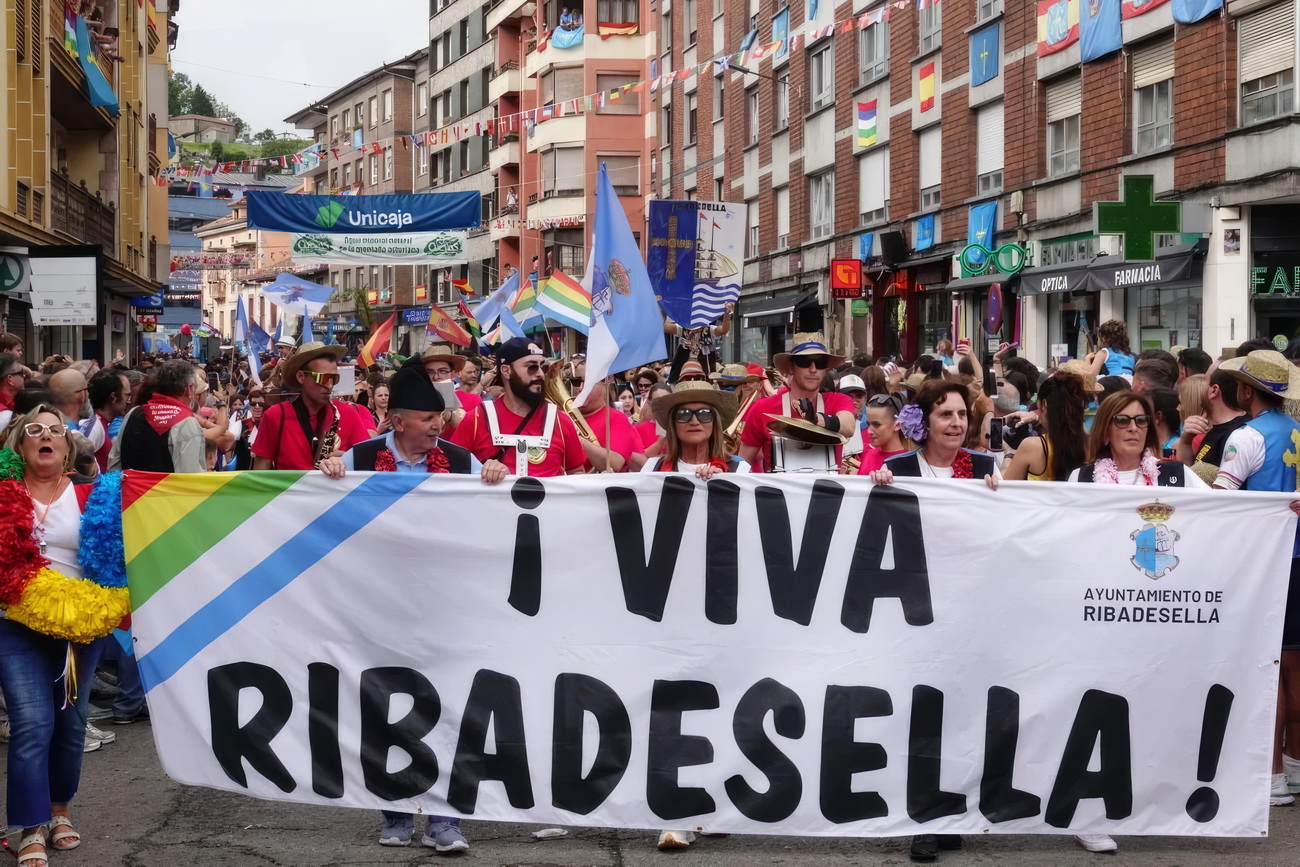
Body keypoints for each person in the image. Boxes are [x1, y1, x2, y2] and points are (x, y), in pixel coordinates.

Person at [0, 405, 130, 867]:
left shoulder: (92, 494)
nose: (46, 436)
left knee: (71, 724)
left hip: (80, 628)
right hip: (15, 624)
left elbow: (170, 497)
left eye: (55, 430)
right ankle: (28, 826)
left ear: (68, 446)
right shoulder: (3, 493)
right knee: (32, 724)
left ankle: (59, 812)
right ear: (21, 445)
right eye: (34, 430)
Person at [1210, 350, 1300, 807]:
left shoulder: (1245, 437)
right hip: (1299, 557)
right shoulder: (1299, 428)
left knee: (1270, 666)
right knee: (1295, 664)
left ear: (1246, 392)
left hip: (1267, 562)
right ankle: (1295, 764)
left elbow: (1221, 501)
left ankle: (1271, 776)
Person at [450, 338, 590, 478]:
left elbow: (577, 474)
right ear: (506, 370)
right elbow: (452, 476)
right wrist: (481, 473)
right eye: (531, 367)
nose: (541, 374)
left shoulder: (560, 421)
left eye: (543, 367)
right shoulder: (476, 419)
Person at [739, 333, 855, 473]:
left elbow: (849, 427)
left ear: (826, 369)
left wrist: (815, 419)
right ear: (791, 367)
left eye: (820, 363)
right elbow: (743, 464)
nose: (813, 369)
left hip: (825, 487)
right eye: (804, 362)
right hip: (778, 486)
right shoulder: (762, 408)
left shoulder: (838, 400)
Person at [251, 343, 370, 471]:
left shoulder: (347, 413)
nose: (330, 385)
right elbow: (260, 474)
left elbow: (368, 465)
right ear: (301, 377)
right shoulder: (276, 415)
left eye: (334, 378)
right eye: (322, 378)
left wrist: (347, 459)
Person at [869, 379, 1001, 485]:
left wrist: (994, 493)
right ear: (925, 422)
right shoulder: (896, 469)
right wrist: (881, 483)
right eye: (946, 414)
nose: (957, 423)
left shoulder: (986, 467)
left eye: (962, 414)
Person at [1067, 391, 1207, 487]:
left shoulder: (1177, 474)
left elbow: (1213, 510)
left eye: (1141, 420)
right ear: (1105, 430)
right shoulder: (1080, 479)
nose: (1133, 428)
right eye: (1122, 420)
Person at [109, 360, 207, 473]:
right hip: (167, 485)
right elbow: (189, 476)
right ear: (189, 388)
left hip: (130, 484)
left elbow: (114, 464)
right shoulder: (187, 423)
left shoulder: (133, 413)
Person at [638, 381, 747, 481]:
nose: (694, 421)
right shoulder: (653, 469)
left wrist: (725, 482)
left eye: (704, 414)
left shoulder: (739, 469)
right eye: (684, 414)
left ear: (714, 422)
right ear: (673, 424)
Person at [1001, 371, 1092, 482]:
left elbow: (1006, 487)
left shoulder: (1032, 446)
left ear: (1044, 405)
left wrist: (1009, 455)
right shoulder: (1092, 444)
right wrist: (1037, 419)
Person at [1175, 368, 1246, 484]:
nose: (1199, 386)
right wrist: (1186, 442)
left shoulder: (1238, 433)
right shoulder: (1217, 428)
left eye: (1205, 381)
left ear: (1214, 390)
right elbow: (1185, 477)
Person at [578, 377, 641, 472]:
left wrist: (580, 441)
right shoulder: (565, 416)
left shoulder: (616, 417)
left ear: (603, 386)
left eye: (587, 383)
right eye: (578, 383)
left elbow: (616, 463)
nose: (580, 388)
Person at [664, 303, 733, 381]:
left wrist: (727, 314)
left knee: (706, 382)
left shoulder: (709, 330)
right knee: (677, 381)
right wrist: (662, 307)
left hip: (703, 367)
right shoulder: (682, 328)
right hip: (683, 368)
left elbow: (723, 330)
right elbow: (664, 327)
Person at [855, 392, 912, 475]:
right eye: (868, 424)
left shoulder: (908, 462)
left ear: (897, 425)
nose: (869, 431)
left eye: (877, 425)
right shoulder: (869, 454)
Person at [86, 369, 130, 473]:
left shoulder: (100, 423)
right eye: (127, 395)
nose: (129, 401)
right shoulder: (95, 427)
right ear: (113, 398)